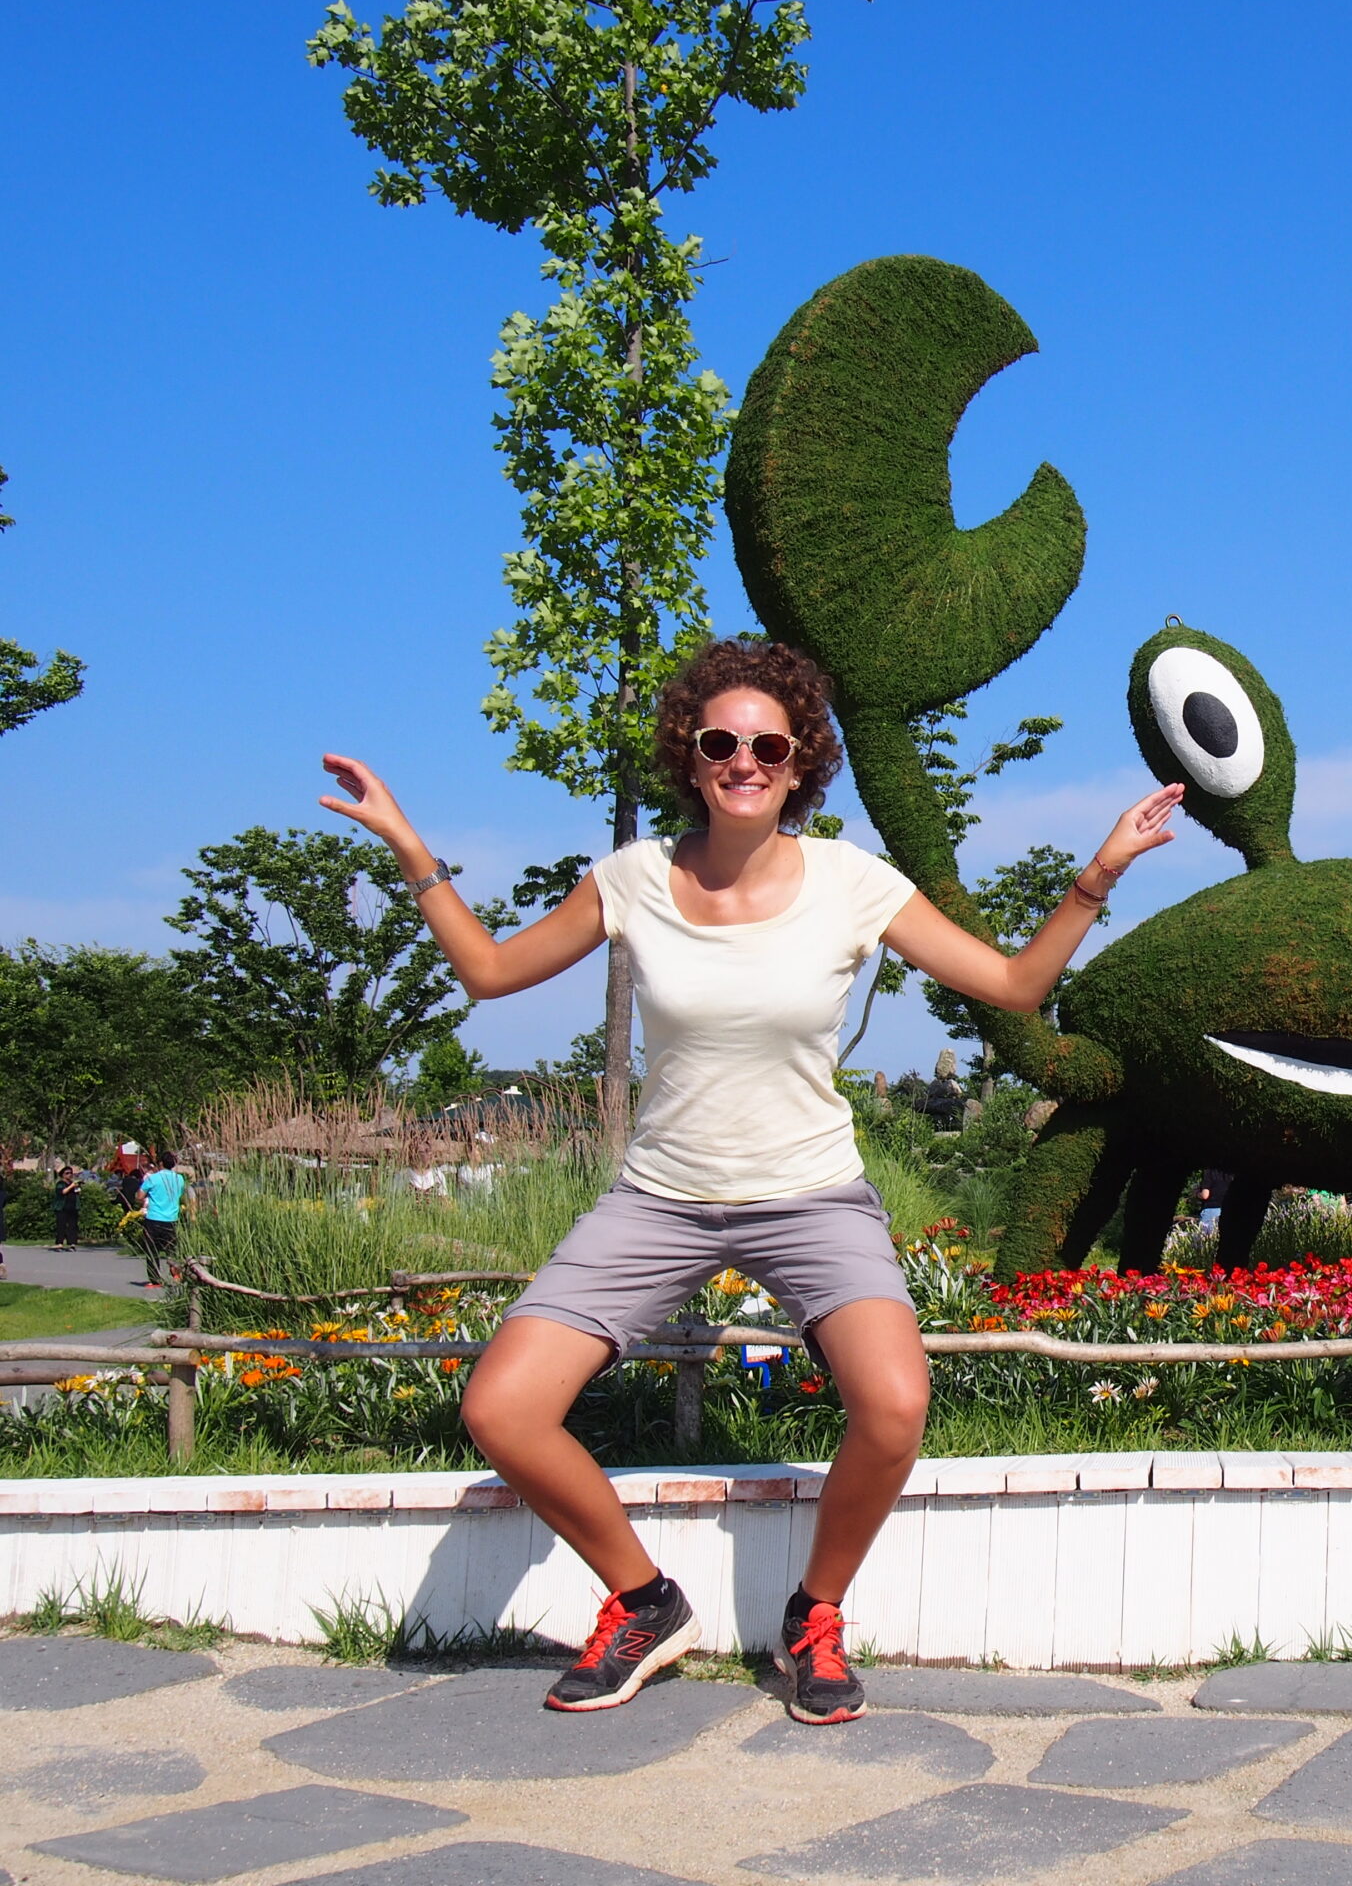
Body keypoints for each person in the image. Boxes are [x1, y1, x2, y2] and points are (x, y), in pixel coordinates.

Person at [319, 636, 1182, 1722]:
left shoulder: (852, 881)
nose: (742, 759)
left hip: (811, 1193)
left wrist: (1098, 871)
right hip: (660, 1198)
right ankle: (642, 1603)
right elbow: (490, 975)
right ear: (689, 755)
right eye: (719, 741)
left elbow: (1011, 987)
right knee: (502, 1406)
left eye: (766, 745)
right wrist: (409, 843)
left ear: (798, 759)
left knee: (896, 1403)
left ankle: (813, 1616)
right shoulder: (633, 878)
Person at [136, 1149, 189, 1288]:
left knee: (152, 1250)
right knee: (172, 1249)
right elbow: (181, 1194)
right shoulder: (180, 1179)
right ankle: (176, 1272)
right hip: (171, 1218)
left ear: (160, 1163)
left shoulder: (153, 1178)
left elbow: (140, 1196)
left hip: (154, 1218)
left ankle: (155, 1279)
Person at [52, 1163, 83, 1249]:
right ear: (63, 1175)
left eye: (71, 1173)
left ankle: (72, 1243)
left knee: (73, 1226)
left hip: (73, 1207)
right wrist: (71, 1186)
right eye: (67, 1173)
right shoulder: (60, 1183)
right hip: (62, 1207)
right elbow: (63, 1192)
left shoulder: (73, 1183)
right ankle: (59, 1243)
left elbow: (77, 1193)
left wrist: (77, 1188)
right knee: (61, 1225)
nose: (70, 1175)